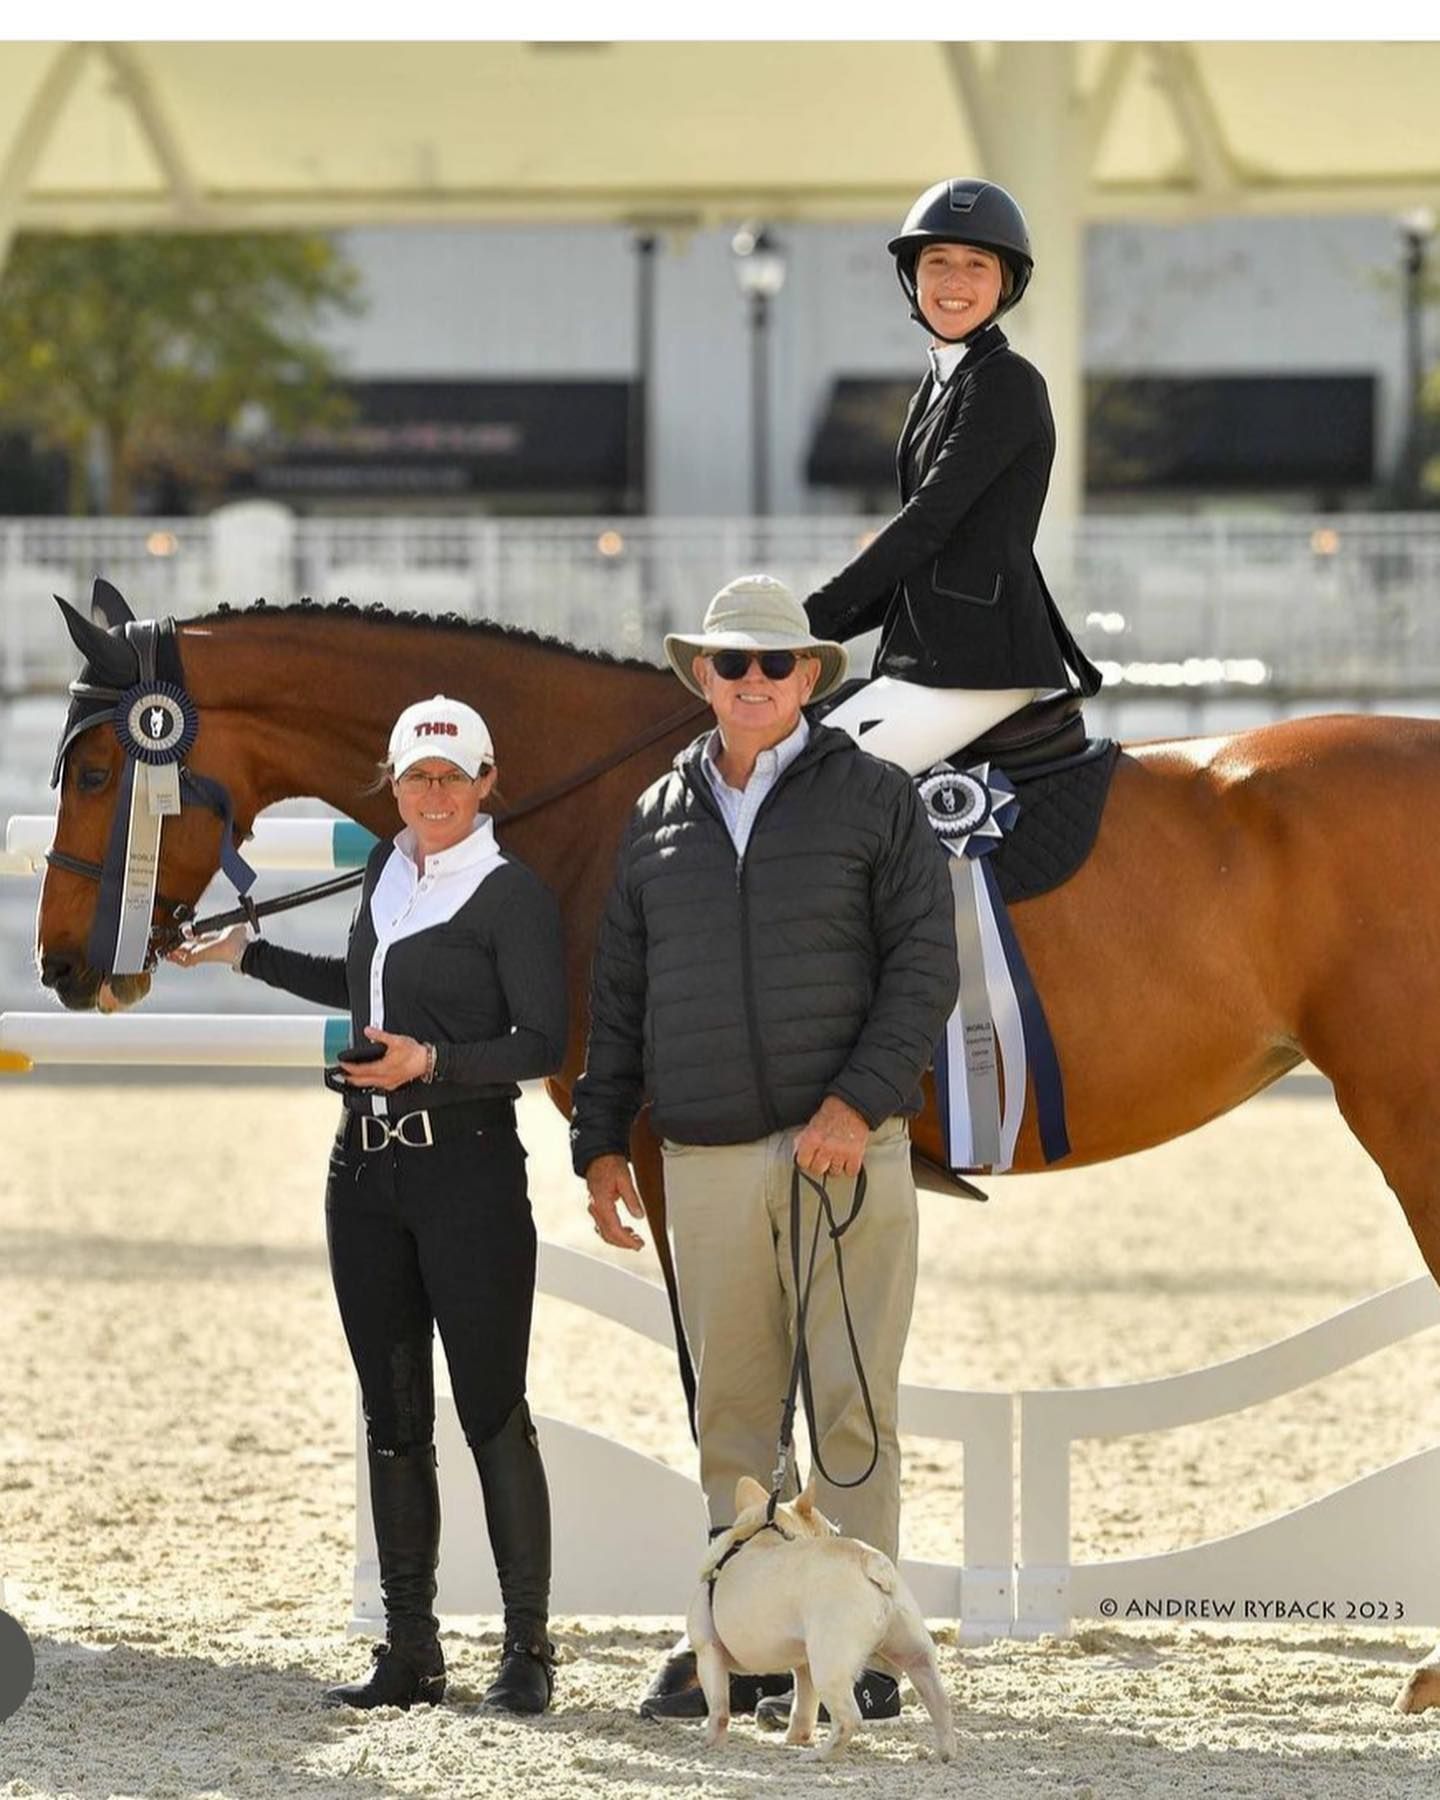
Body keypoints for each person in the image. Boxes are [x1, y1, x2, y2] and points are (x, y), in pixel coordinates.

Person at [570, 576, 958, 1724]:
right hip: (708, 1161)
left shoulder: (878, 801)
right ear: (701, 676)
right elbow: (622, 997)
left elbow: (922, 971)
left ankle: (867, 1653)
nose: (752, 683)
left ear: (808, 678)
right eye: (730, 666)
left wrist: (856, 1105)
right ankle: (739, 1648)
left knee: (851, 1411)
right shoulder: (655, 818)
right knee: (733, 1417)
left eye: (774, 666)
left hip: (847, 1152)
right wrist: (600, 1141)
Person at [169, 696, 566, 1716]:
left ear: (485, 784)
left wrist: (431, 1059)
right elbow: (359, 991)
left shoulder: (510, 892)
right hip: (365, 1176)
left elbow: (542, 1042)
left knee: (489, 1410)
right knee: (392, 1417)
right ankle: (411, 1649)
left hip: (469, 1169)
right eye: (414, 777)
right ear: (392, 786)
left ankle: (527, 1649)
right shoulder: (387, 876)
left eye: (451, 776)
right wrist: (242, 955)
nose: (432, 794)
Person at [807, 177, 1102, 776]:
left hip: (982, 665)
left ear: (1006, 283)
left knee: (824, 781)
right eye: (937, 262)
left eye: (976, 264)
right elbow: (922, 563)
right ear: (913, 278)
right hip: (934, 661)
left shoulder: (1006, 383)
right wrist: (814, 635)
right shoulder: (938, 388)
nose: (954, 281)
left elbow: (927, 524)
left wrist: (810, 616)